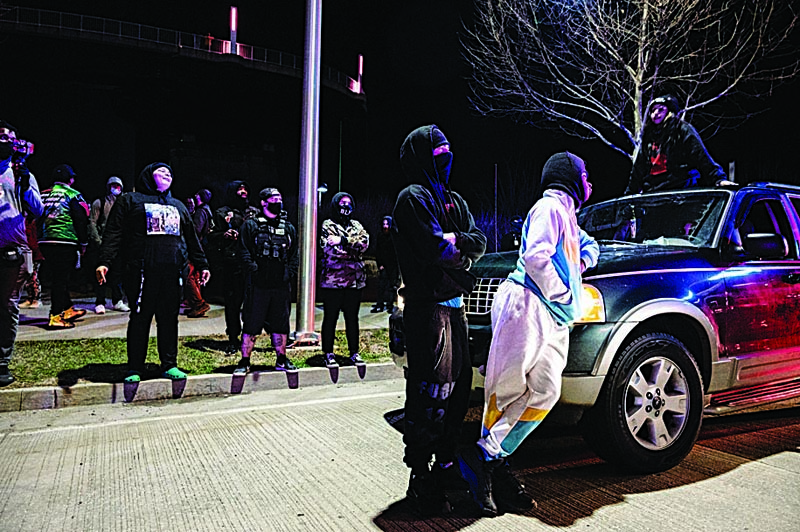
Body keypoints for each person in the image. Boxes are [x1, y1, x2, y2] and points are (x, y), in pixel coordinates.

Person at [457, 152, 599, 517]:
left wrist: (581, 263)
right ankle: (490, 467)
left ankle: (488, 454)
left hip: (553, 316)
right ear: (569, 177)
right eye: (586, 176)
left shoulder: (566, 216)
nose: (590, 183)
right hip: (526, 304)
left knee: (547, 392)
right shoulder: (549, 208)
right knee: (505, 388)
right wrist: (566, 293)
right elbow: (537, 257)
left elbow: (588, 247)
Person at [392, 124, 487, 515]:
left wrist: (457, 243)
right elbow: (436, 250)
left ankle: (446, 462)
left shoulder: (453, 199)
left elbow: (478, 241)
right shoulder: (411, 198)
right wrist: (455, 246)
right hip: (428, 309)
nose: (445, 161)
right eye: (437, 155)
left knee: (459, 388)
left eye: (448, 154)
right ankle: (421, 473)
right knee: (432, 392)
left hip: (455, 307)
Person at [97, 162, 210, 383]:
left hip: (171, 272)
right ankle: (134, 367)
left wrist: (202, 264)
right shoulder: (130, 200)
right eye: (161, 171)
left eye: (170, 171)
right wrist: (104, 261)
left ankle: (169, 364)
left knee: (169, 320)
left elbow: (191, 237)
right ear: (149, 175)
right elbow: (114, 233)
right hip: (140, 272)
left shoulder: (178, 205)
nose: (167, 174)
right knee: (140, 318)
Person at [233, 187, 299, 375]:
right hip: (257, 285)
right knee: (252, 324)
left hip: (280, 285)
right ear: (263, 202)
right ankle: (245, 361)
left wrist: (289, 273)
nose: (278, 201)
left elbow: (294, 254)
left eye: (279, 197)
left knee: (281, 324)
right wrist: (254, 270)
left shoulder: (288, 227)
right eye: (273, 198)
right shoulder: (251, 225)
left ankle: (281, 358)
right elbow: (243, 251)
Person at [0, 120, 43, 386]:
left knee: (6, 306)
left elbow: (38, 210)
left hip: (11, 249)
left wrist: (25, 185)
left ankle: (2, 362)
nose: (4, 140)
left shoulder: (19, 172)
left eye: (9, 137)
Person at [625, 94, 732, 195]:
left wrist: (718, 179)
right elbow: (639, 167)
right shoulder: (648, 136)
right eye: (653, 110)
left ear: (670, 112)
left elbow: (700, 155)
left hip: (679, 191)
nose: (656, 113)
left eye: (661, 109)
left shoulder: (682, 130)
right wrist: (630, 193)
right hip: (654, 193)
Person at [319, 192, 369, 368]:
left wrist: (342, 240)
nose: (345, 206)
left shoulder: (356, 225)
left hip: (354, 282)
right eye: (342, 203)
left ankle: (354, 352)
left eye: (349, 203)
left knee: (352, 319)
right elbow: (329, 250)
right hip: (333, 281)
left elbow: (364, 243)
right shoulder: (328, 224)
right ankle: (328, 353)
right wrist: (352, 250)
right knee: (330, 318)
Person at [39, 164, 89, 329]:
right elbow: (81, 220)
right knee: (61, 280)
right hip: (65, 242)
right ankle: (55, 315)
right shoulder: (73, 195)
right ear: (71, 179)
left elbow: (36, 216)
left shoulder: (43, 194)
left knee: (58, 277)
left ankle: (68, 309)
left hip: (45, 241)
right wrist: (83, 243)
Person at [208, 180, 250, 354]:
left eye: (245, 189)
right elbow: (210, 237)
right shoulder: (221, 213)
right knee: (232, 305)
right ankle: (233, 338)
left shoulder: (253, 212)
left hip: (251, 265)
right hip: (231, 265)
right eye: (239, 190)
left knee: (252, 304)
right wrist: (223, 235)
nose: (243, 192)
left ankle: (250, 337)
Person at [88, 176, 128, 314]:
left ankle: (118, 300)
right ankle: (100, 301)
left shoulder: (124, 202)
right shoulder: (100, 202)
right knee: (101, 273)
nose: (116, 188)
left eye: (118, 186)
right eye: (113, 185)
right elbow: (92, 222)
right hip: (103, 242)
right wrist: (97, 240)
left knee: (117, 273)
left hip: (119, 243)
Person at [185, 188, 213, 318]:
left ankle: (198, 303)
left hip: (196, 247)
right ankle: (194, 303)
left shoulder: (201, 211)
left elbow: (195, 230)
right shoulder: (206, 210)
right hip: (202, 247)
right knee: (195, 276)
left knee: (189, 275)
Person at [371, 215, 400, 313]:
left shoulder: (395, 236)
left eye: (387, 224)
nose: (385, 226)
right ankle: (380, 304)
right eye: (384, 224)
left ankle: (390, 305)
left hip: (393, 266)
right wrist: (380, 264)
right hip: (384, 265)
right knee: (381, 286)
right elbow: (378, 251)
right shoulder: (381, 236)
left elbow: (397, 252)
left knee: (392, 286)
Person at [18, 213, 44, 309]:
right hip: (27, 250)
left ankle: (36, 299)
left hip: (33, 251)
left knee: (33, 276)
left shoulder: (31, 222)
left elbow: (32, 237)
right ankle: (30, 298)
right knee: (28, 277)